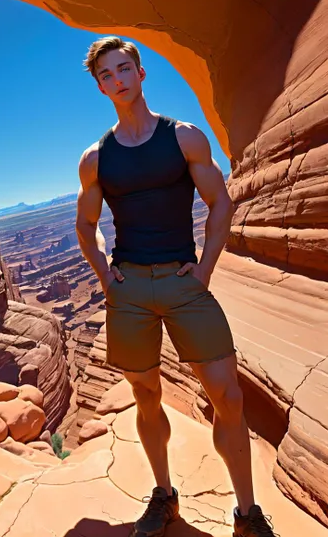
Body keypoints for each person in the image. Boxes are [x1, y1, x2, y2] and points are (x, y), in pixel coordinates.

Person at [75, 36, 277, 537]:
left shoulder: (184, 136)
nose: (117, 79)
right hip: (129, 290)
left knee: (227, 395)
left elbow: (220, 203)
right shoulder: (95, 158)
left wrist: (206, 268)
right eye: (107, 75)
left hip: (184, 281)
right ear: (100, 87)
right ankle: (164, 497)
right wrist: (104, 274)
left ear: (141, 74)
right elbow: (86, 224)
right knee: (146, 396)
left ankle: (247, 515)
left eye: (124, 69)